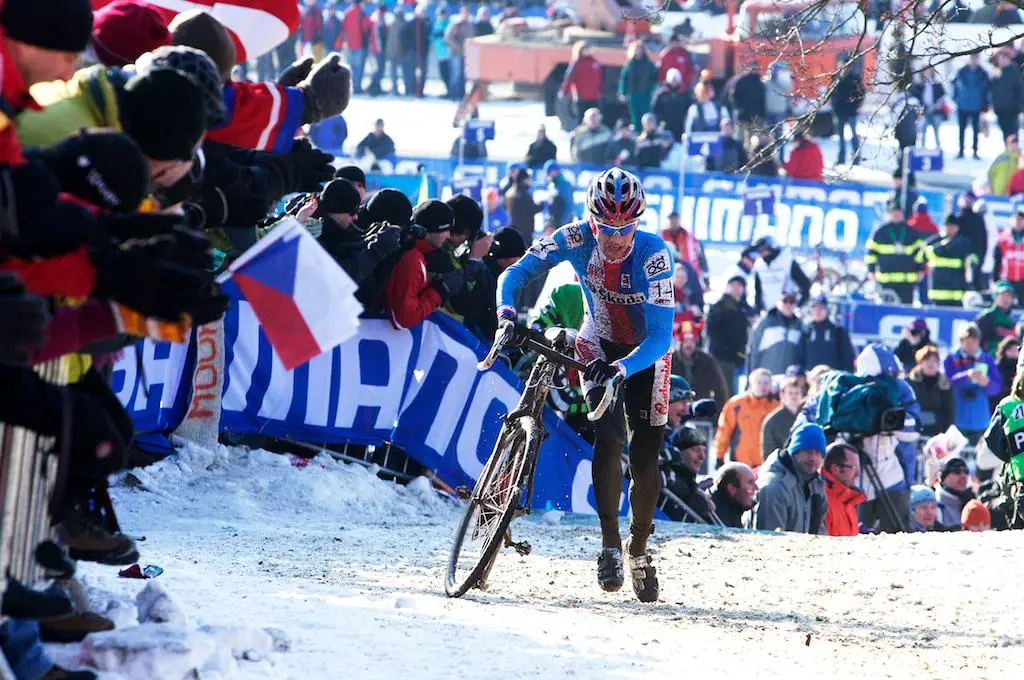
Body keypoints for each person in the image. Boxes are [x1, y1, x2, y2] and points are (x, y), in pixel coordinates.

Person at [495, 167, 675, 603]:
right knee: (609, 440)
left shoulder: (654, 255)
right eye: (606, 228)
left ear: (639, 222)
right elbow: (514, 276)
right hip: (595, 343)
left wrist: (623, 370)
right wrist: (505, 314)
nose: (615, 237)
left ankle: (638, 549)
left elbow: (661, 336)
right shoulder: (574, 238)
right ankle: (610, 545)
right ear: (591, 220)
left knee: (646, 460)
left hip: (644, 357)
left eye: (626, 227)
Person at [384, 199, 461, 330]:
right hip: (387, 340)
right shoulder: (412, 258)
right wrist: (438, 292)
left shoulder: (418, 253)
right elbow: (402, 319)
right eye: (446, 230)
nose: (448, 236)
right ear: (430, 230)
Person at [753, 422, 827, 533]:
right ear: (795, 452)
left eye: (817, 453)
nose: (813, 458)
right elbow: (769, 540)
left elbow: (819, 532)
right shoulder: (774, 488)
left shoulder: (816, 485)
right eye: (807, 451)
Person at [945, 323, 1001, 446]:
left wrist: (987, 383)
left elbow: (997, 388)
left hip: (981, 421)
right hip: (956, 421)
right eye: (967, 341)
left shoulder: (986, 359)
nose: (970, 345)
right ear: (961, 341)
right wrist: (967, 376)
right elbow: (946, 381)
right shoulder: (951, 358)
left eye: (974, 340)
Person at [713, 367, 778, 468]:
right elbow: (724, 431)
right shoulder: (736, 404)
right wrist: (719, 456)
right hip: (741, 464)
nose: (763, 386)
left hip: (768, 465)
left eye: (766, 383)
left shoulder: (776, 406)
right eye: (759, 382)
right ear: (751, 384)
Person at [865, 199, 925, 304]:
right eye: (894, 212)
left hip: (906, 282)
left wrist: (920, 270)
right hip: (886, 281)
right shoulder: (880, 232)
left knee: (906, 310)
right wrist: (871, 270)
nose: (896, 215)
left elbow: (919, 254)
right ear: (889, 214)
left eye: (898, 212)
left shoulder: (911, 232)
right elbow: (871, 254)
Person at [660, 425, 715, 523]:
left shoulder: (691, 484)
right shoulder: (667, 477)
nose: (702, 456)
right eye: (695, 449)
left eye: (704, 450)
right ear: (677, 451)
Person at [706, 274, 750, 394]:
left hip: (738, 358)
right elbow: (711, 332)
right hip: (723, 358)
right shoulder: (719, 307)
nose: (736, 288)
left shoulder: (743, 308)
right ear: (727, 287)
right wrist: (726, 350)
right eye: (733, 285)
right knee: (726, 392)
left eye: (739, 286)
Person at [671, 320, 728, 411]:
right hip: (675, 412)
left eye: (692, 341)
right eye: (685, 341)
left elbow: (720, 388)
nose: (689, 345)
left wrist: (719, 414)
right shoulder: (670, 361)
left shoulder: (707, 361)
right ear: (680, 342)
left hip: (701, 412)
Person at [924, 213, 977, 306]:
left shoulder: (964, 243)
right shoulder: (934, 242)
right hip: (937, 293)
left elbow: (973, 262)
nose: (950, 229)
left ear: (957, 228)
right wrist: (941, 245)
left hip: (957, 294)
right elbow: (922, 255)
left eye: (952, 227)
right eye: (947, 226)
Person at [746, 293, 804, 376]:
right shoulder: (765, 323)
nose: (788, 304)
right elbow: (753, 350)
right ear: (778, 302)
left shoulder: (800, 326)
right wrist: (751, 375)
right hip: (767, 379)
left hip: (789, 381)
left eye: (791, 301)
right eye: (785, 301)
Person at [751, 236, 811, 313]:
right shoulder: (759, 264)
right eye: (758, 250)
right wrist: (758, 309)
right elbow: (758, 290)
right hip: (767, 310)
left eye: (763, 249)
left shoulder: (787, 260)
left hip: (786, 310)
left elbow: (805, 284)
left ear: (771, 247)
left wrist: (798, 305)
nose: (761, 253)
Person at [907, 345, 955, 439]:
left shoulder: (944, 384)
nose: (931, 364)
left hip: (937, 434)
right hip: (913, 433)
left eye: (934, 361)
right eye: (927, 360)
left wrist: (945, 436)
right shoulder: (910, 383)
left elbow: (949, 411)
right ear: (920, 362)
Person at [800, 295, 855, 371]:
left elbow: (848, 356)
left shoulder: (838, 331)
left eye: (820, 308)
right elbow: (800, 355)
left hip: (832, 377)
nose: (817, 311)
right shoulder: (806, 331)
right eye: (815, 308)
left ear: (827, 310)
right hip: (811, 378)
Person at [821, 440, 865, 537]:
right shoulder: (822, 500)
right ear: (835, 469)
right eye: (854, 467)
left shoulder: (847, 499)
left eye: (858, 467)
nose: (858, 474)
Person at [953, 53, 989, 159]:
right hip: (962, 105)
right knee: (961, 130)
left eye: (976, 58)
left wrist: (985, 104)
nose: (974, 60)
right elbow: (954, 86)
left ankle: (975, 151)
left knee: (975, 130)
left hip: (976, 106)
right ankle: (960, 151)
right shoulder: (961, 72)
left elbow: (986, 90)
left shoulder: (983, 73)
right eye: (972, 58)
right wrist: (955, 99)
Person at [561, 41, 604, 125]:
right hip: (582, 98)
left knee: (594, 119)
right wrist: (564, 91)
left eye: (588, 49)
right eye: (584, 49)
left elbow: (599, 79)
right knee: (582, 120)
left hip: (594, 96)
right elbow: (569, 78)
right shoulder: (576, 63)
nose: (586, 51)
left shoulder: (594, 62)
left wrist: (600, 91)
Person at [760, 376, 804, 459]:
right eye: (790, 393)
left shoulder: (808, 415)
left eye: (797, 393)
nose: (794, 396)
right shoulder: (772, 421)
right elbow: (768, 452)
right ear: (782, 395)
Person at [726, 60, 766, 147]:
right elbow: (733, 96)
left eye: (756, 68)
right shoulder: (741, 80)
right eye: (753, 68)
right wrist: (738, 108)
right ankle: (741, 158)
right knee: (740, 140)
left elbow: (762, 100)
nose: (754, 70)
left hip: (755, 116)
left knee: (754, 142)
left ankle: (750, 158)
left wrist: (762, 114)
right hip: (743, 115)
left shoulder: (759, 82)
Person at [618, 41, 657, 130]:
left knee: (646, 115)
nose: (638, 52)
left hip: (644, 94)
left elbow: (654, 79)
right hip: (632, 94)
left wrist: (650, 90)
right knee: (635, 116)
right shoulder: (629, 64)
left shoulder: (649, 64)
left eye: (640, 50)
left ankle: (647, 132)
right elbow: (624, 79)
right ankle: (637, 133)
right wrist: (623, 92)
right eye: (636, 50)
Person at [661, 211, 707, 283]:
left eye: (676, 219)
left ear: (679, 220)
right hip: (667, 274)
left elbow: (701, 258)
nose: (674, 222)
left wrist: (706, 280)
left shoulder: (690, 237)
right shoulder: (661, 236)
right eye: (672, 219)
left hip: (689, 273)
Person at [832, 65, 864, 164]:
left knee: (853, 136)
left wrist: (855, 106)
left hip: (850, 112)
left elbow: (861, 94)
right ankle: (843, 158)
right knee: (842, 137)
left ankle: (856, 158)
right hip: (840, 112)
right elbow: (832, 94)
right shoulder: (837, 78)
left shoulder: (854, 78)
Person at [976, 281, 1017, 355]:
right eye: (1002, 295)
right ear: (995, 296)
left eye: (1009, 295)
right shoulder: (986, 317)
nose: (1006, 298)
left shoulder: (1014, 320)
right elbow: (978, 343)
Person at [711, 462, 756, 528]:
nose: (756, 488)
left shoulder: (733, 510)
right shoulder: (715, 519)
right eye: (750, 483)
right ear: (732, 488)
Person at [992, 208, 1024, 304]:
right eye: (1016, 220)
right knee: (1005, 305)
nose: (1018, 223)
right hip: (1007, 280)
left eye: (1020, 220)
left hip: (1022, 281)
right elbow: (997, 260)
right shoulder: (1003, 239)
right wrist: (995, 279)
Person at [650, 68, 690, 141]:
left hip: (680, 125)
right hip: (666, 125)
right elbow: (655, 109)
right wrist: (660, 121)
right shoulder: (661, 94)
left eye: (676, 80)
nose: (674, 82)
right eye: (672, 80)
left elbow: (689, 109)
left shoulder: (684, 93)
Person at [911, 67, 947, 148]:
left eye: (929, 72)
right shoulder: (919, 86)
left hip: (935, 112)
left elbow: (943, 98)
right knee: (923, 131)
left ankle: (938, 147)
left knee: (936, 131)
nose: (927, 74)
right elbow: (917, 99)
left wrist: (936, 106)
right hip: (924, 112)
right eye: (926, 72)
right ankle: (922, 148)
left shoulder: (938, 85)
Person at [992, 49, 1023, 142]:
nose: (1002, 60)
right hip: (1000, 109)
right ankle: (1008, 154)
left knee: (1013, 135)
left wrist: (1020, 107)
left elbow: (1020, 90)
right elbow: (993, 89)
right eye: (1000, 58)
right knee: (1005, 134)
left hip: (1013, 109)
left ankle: (1014, 155)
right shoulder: (997, 72)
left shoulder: (1015, 71)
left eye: (1005, 58)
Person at [935, 456, 974, 529]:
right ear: (944, 478)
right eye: (957, 471)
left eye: (966, 471)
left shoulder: (972, 502)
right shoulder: (935, 507)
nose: (963, 476)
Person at [443, 3, 472, 100]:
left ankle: (461, 95)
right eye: (464, 12)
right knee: (456, 75)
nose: (466, 14)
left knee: (463, 76)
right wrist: (459, 47)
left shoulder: (470, 25)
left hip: (467, 54)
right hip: (456, 53)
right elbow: (448, 37)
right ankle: (454, 95)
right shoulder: (456, 24)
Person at [544, 160, 576, 228]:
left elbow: (569, 205)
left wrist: (563, 225)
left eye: (549, 172)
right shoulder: (551, 185)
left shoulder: (565, 185)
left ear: (555, 171)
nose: (548, 175)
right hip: (553, 223)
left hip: (562, 225)